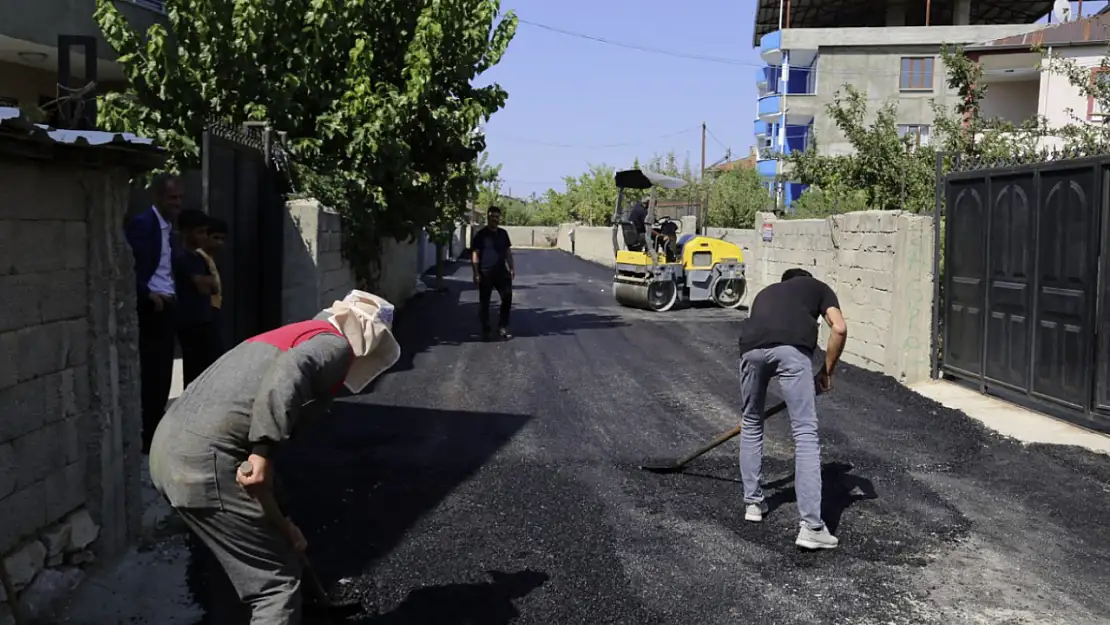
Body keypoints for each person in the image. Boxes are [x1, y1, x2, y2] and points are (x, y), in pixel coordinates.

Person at [148, 290, 402, 625]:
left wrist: (283, 521)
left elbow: (255, 462)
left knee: (267, 551)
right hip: (204, 462)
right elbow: (290, 372)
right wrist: (264, 449)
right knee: (276, 586)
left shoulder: (296, 334)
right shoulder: (335, 345)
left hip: (169, 452)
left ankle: (305, 605)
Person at [735, 268, 848, 550]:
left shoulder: (765, 293)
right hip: (791, 350)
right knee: (805, 433)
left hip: (750, 349)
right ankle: (811, 527)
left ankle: (753, 504)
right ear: (806, 279)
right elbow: (839, 327)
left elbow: (762, 333)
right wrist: (827, 372)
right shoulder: (819, 286)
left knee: (751, 422)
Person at [124, 173, 184, 454]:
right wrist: (147, 294)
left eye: (180, 198)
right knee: (153, 375)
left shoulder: (169, 229)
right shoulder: (143, 225)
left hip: (169, 306)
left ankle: (156, 434)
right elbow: (128, 267)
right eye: (172, 198)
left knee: (163, 375)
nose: (177, 203)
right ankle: (148, 438)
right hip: (153, 308)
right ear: (158, 197)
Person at [174, 209, 221, 389]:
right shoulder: (181, 257)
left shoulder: (200, 259)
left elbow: (214, 285)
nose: (204, 237)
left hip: (204, 319)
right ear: (187, 232)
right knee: (194, 373)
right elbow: (203, 286)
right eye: (200, 232)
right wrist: (206, 282)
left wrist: (207, 282)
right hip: (190, 322)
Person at [470, 206, 515, 341]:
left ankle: (502, 326)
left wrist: (512, 267)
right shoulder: (481, 235)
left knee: (507, 296)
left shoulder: (503, 234)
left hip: (501, 272)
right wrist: (476, 273)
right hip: (485, 273)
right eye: (492, 217)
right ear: (488, 217)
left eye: (497, 217)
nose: (495, 219)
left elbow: (507, 252)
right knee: (484, 302)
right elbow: (475, 254)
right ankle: (486, 329)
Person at [197, 216, 228, 359]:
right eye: (215, 238)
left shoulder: (211, 259)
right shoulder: (199, 257)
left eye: (222, 239)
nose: (219, 243)